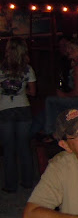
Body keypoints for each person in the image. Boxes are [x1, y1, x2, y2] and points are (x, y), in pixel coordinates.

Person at [0, 37, 36, 192]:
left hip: (5, 108)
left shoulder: (1, 69)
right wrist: (21, 90)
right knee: (24, 147)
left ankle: (10, 185)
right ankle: (27, 181)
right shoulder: (28, 69)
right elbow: (33, 92)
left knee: (8, 148)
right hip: (23, 108)